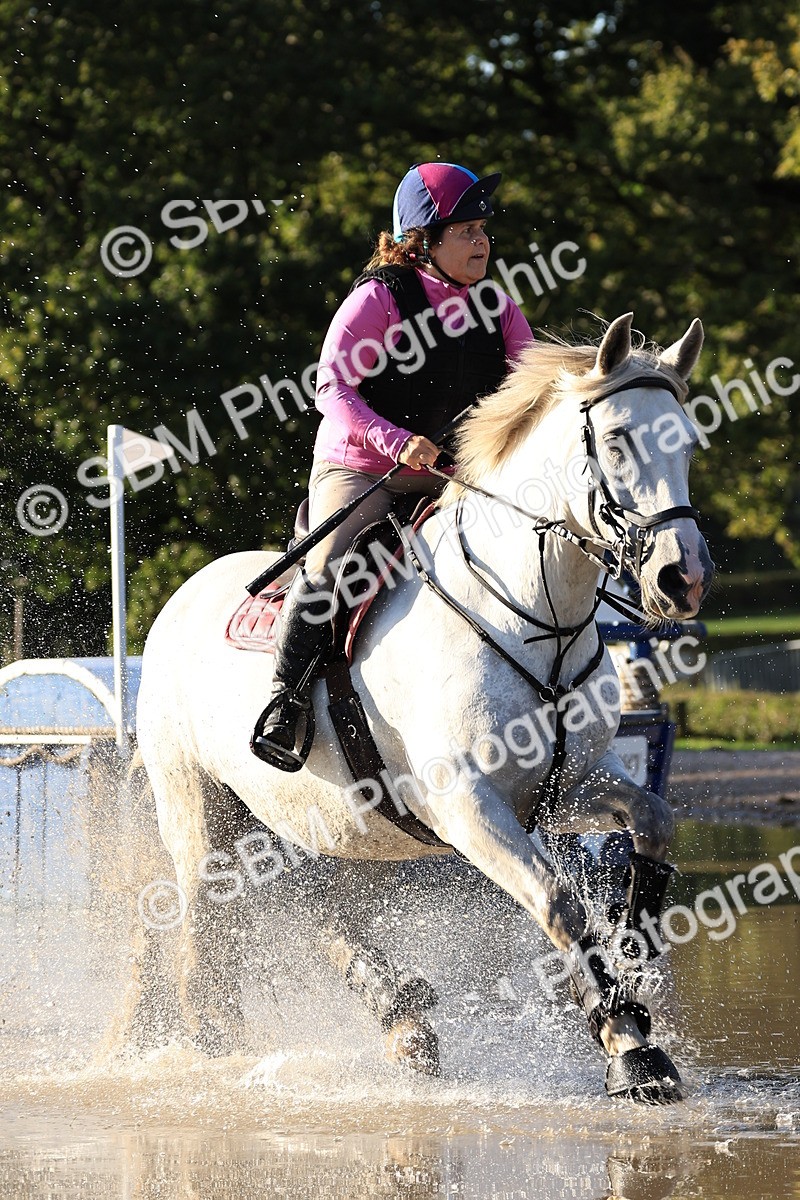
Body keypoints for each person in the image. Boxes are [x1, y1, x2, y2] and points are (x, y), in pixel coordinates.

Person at [252, 161, 535, 770]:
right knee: (330, 568)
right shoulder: (379, 298)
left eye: (483, 229)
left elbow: (534, 390)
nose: (482, 241)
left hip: (452, 476)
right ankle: (285, 702)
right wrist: (397, 442)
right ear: (423, 240)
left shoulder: (499, 309)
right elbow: (332, 387)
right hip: (362, 468)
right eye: (466, 231)